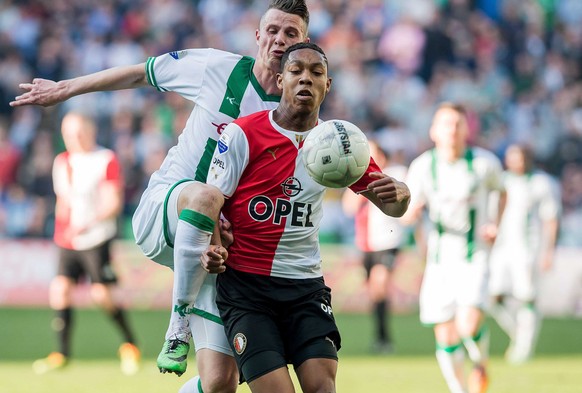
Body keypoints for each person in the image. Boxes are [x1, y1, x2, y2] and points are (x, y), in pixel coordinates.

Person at [11, 1, 311, 390]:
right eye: (272, 30)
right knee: (204, 196)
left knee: (221, 380)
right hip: (166, 210)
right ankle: (177, 326)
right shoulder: (215, 68)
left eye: (290, 34)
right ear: (258, 35)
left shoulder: (298, 115)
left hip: (219, 248)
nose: (279, 40)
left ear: (303, 43)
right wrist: (66, 89)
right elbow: (141, 74)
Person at [186, 42, 411, 393]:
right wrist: (214, 245)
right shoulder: (242, 134)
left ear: (328, 85)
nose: (306, 78)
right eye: (296, 71)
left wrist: (402, 195)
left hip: (304, 285)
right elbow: (212, 200)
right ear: (280, 80)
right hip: (247, 288)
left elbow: (392, 207)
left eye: (316, 72)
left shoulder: (340, 144)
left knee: (323, 387)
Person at [403, 103, 506, 393]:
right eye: (446, 124)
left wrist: (494, 224)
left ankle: (481, 362)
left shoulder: (484, 163)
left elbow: (502, 192)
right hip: (439, 260)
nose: (452, 130)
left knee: (469, 325)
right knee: (446, 334)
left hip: (474, 256)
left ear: (467, 130)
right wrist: (413, 212)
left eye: (458, 124)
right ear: (433, 131)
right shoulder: (423, 166)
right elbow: (407, 213)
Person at [32, 112, 140, 376]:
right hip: (68, 240)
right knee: (60, 290)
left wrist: (87, 222)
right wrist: (63, 229)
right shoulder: (62, 161)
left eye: (78, 132)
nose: (73, 138)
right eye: (68, 134)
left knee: (102, 295)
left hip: (96, 238)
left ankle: (130, 345)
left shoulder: (105, 159)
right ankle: (62, 353)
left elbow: (112, 203)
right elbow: (63, 202)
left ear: (90, 131)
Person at [488, 143, 561, 364]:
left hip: (528, 248)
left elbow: (551, 219)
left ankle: (524, 347)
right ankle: (519, 334)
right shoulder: (501, 180)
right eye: (511, 157)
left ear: (528, 158)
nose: (514, 162)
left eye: (518, 157)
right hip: (500, 247)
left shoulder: (542, 183)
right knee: (493, 297)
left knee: (526, 296)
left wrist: (549, 250)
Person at [341, 141, 408, 354]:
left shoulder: (396, 173)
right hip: (366, 244)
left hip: (389, 242)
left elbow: (406, 203)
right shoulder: (358, 177)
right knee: (374, 293)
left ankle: (384, 339)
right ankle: (381, 337)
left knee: (380, 285)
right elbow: (348, 209)